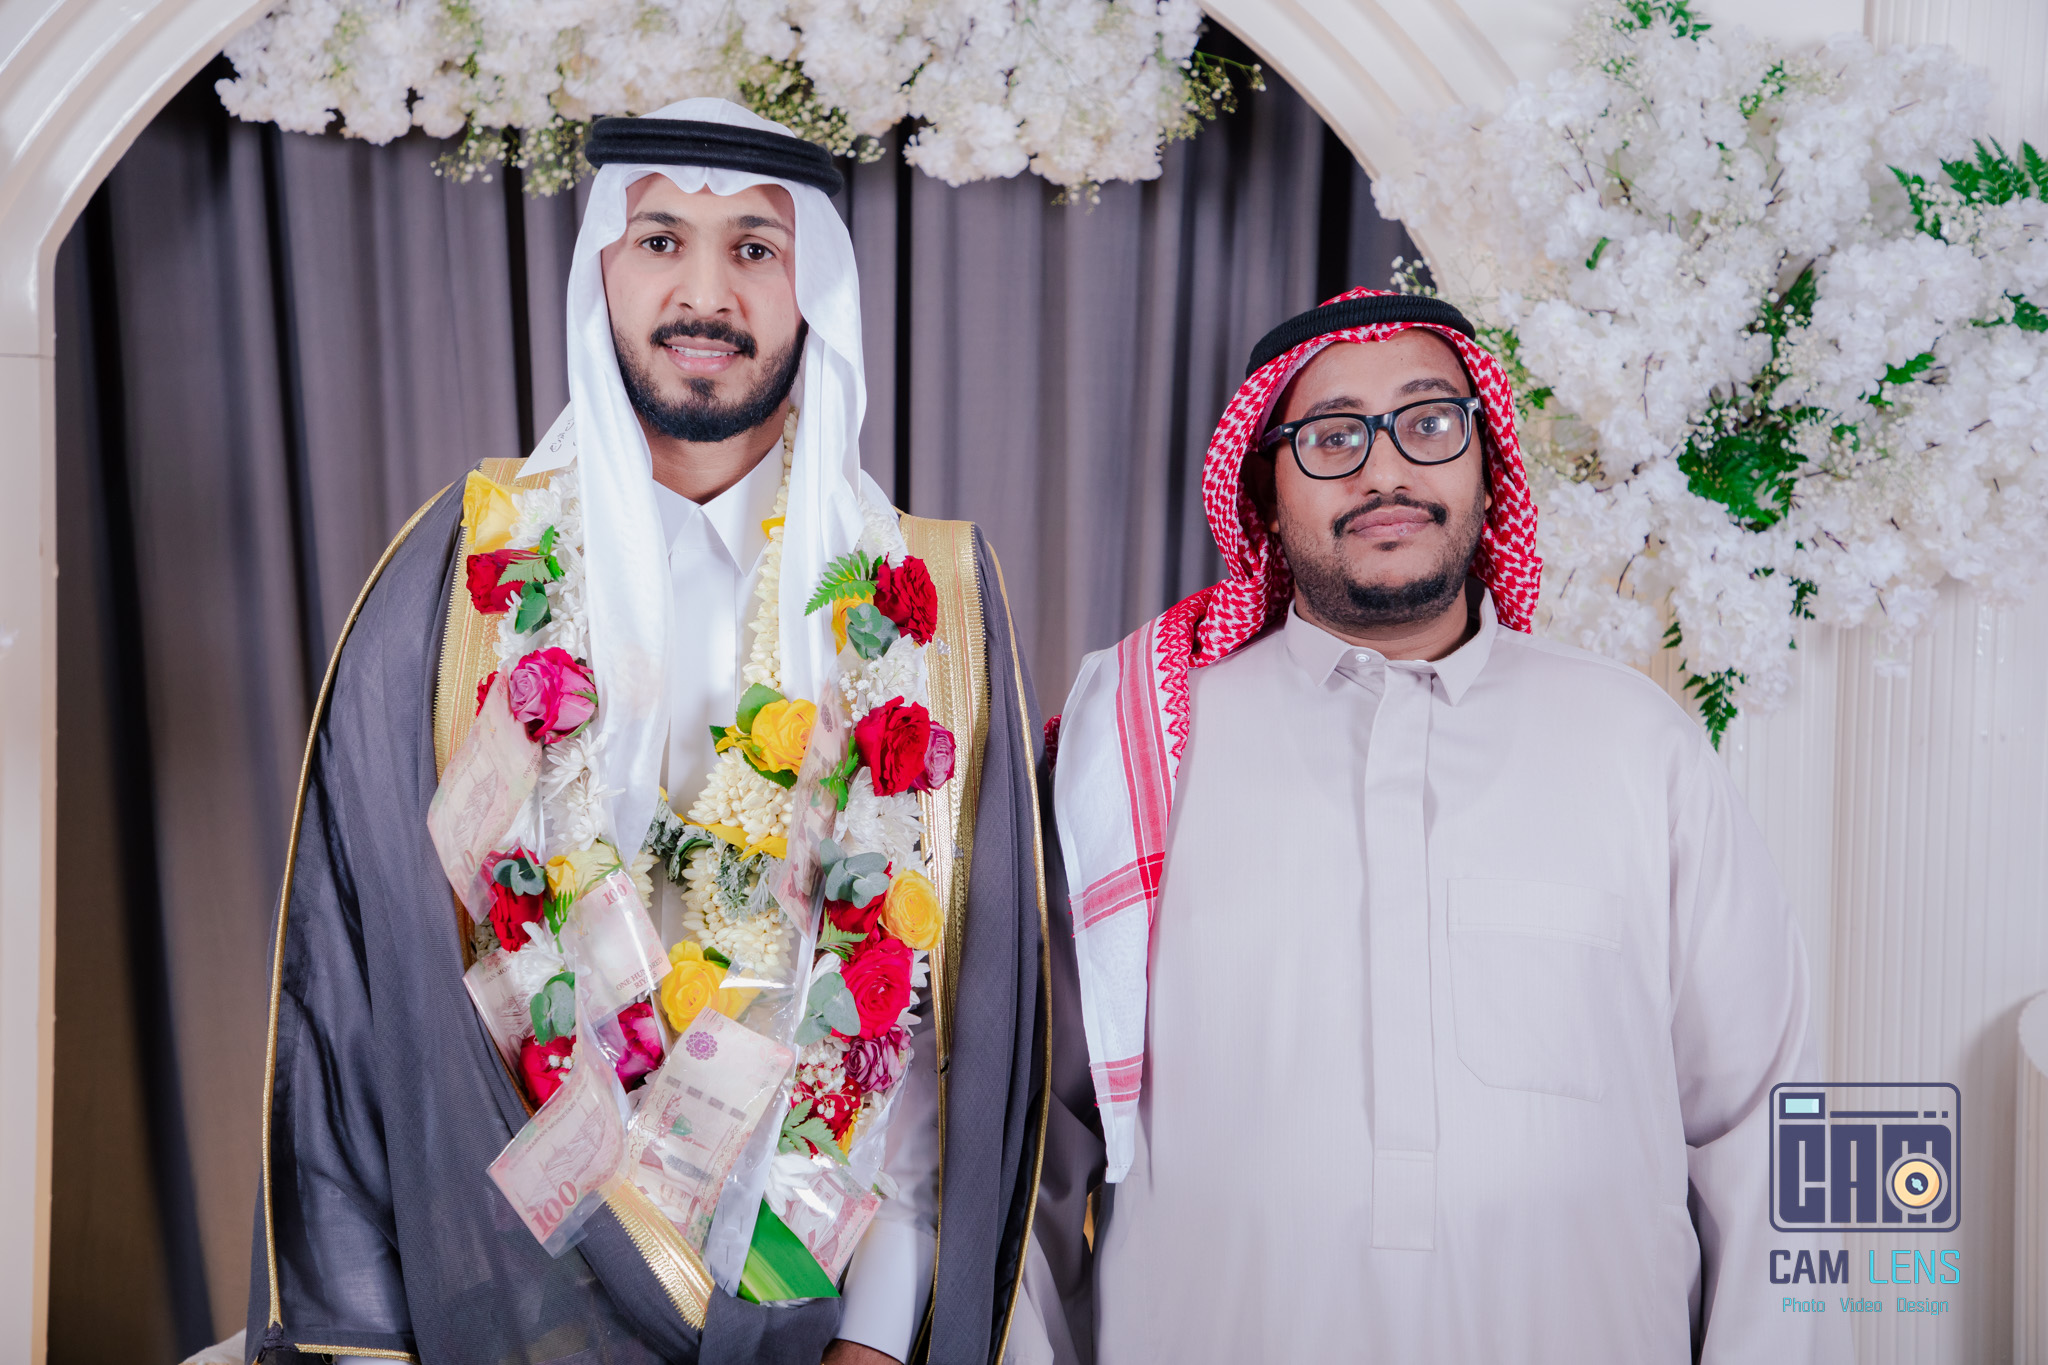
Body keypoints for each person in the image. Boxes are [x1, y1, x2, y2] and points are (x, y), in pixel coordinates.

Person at [246, 100, 1050, 1365]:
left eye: (754, 248)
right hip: (498, 1319)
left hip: (815, 1321)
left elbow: (943, 1017)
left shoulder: (925, 605)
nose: (703, 293)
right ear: (601, 274)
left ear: (813, 291)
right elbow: (351, 1001)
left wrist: (878, 1337)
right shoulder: (458, 582)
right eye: (661, 239)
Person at [1015, 289, 1849, 1363]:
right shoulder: (1135, 755)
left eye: (1427, 422)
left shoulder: (1639, 745)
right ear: (1264, 490)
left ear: (1485, 466)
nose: (1383, 470)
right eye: (1331, 436)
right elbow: (1030, 1143)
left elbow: (1772, 1124)